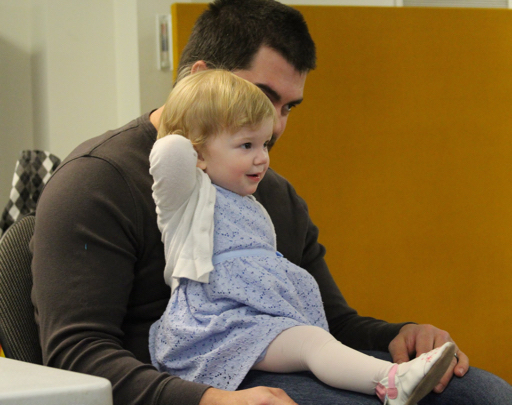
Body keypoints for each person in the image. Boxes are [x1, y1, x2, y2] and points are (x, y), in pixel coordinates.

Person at [30, 0, 511, 404]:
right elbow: (76, 353)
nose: (277, 126)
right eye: (263, 98)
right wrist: (211, 400)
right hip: (190, 380)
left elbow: (332, 321)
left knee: (487, 394)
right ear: (202, 80)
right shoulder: (96, 181)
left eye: (288, 108)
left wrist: (397, 336)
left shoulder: (271, 193)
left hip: (285, 356)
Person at [148, 68, 457, 405]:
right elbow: (169, 153)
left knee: (314, 343)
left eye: (265, 144)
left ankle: (388, 378)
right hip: (216, 326)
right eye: (246, 145)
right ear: (198, 153)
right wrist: (192, 117)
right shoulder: (185, 200)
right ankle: (389, 381)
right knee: (311, 343)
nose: (262, 157)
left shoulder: (250, 204)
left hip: (255, 319)